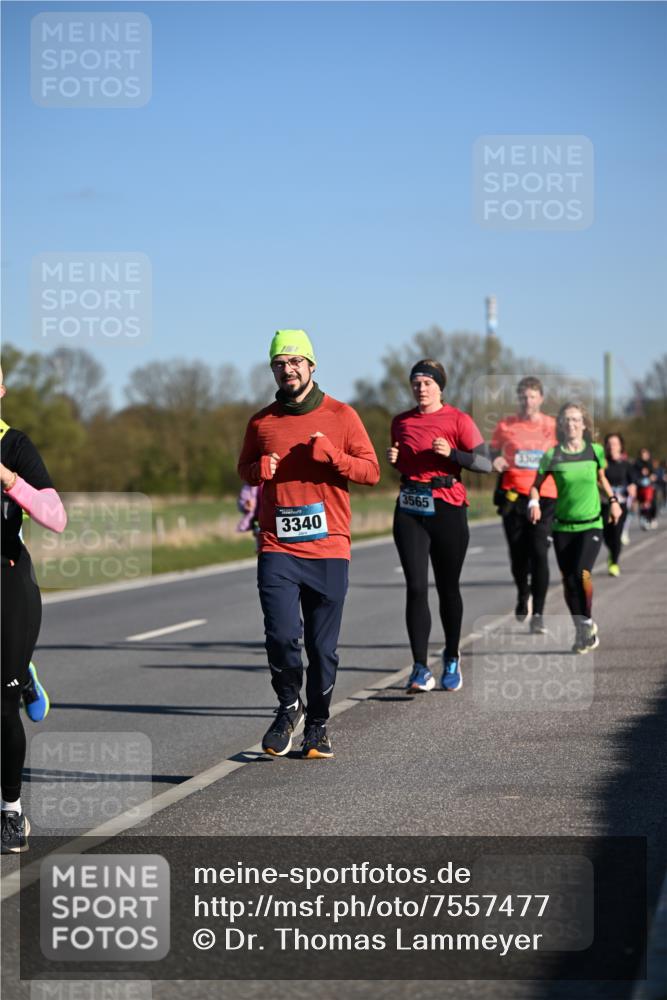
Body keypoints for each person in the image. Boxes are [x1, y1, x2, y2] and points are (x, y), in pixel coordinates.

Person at [238, 330, 380, 759]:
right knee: (281, 636)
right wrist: (258, 468)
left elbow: (371, 472)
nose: (289, 369)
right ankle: (288, 706)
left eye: (296, 361)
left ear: (312, 366)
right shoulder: (262, 422)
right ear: (273, 370)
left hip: (329, 546)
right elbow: (244, 469)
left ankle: (317, 724)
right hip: (277, 544)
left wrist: (334, 457)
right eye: (281, 363)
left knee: (321, 648)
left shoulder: (341, 415)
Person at [387, 359, 491, 694]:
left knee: (448, 587)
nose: (421, 388)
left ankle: (451, 656)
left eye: (427, 383)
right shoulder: (400, 422)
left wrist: (454, 454)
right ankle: (419, 668)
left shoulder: (458, 419)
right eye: (416, 382)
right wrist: (396, 461)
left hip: (447, 507)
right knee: (416, 587)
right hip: (409, 506)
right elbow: (408, 462)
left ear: (440, 387)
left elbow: (486, 463)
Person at [1, 369, 67, 853]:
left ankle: (11, 811)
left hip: (7, 583)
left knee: (0, 707)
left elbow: (56, 517)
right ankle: (23, 668)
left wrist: (8, 481)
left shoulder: (14, 445)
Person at [528, 403, 621, 654]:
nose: (571, 424)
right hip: (562, 527)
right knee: (569, 582)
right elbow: (536, 485)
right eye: (567, 420)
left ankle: (588, 621)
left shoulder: (595, 451)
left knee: (583, 573)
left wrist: (613, 502)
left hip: (591, 523)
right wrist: (534, 502)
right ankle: (582, 631)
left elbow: (601, 479)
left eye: (576, 420)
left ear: (584, 424)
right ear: (561, 425)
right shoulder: (552, 455)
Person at [490, 376, 557, 633]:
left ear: (540, 398)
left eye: (532, 396)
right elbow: (492, 451)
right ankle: (522, 593)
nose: (527, 401)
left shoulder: (553, 426)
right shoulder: (506, 425)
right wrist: (495, 460)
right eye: (523, 397)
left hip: (544, 496)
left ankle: (538, 613)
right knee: (518, 555)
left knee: (539, 553)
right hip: (514, 497)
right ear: (518, 399)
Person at [602, 433, 637, 576]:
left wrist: (632, 488)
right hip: (604, 504)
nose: (612, 446)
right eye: (609, 444)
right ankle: (612, 551)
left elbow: (632, 481)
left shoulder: (626, 464)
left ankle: (614, 563)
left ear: (621, 446)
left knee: (616, 534)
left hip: (620, 505)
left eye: (615, 443)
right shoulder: (602, 463)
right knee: (605, 535)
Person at [634, 449, 657, 529]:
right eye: (643, 454)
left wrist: (652, 477)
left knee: (652, 504)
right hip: (640, 488)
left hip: (649, 487)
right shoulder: (637, 464)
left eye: (646, 454)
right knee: (643, 505)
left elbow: (654, 474)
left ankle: (651, 518)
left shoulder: (650, 464)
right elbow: (634, 475)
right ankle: (644, 519)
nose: (645, 456)